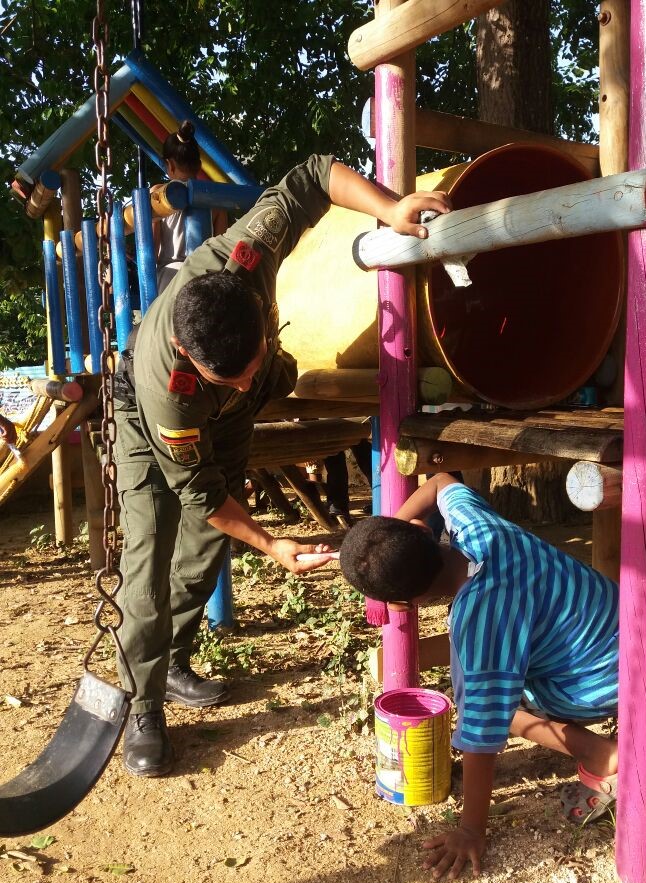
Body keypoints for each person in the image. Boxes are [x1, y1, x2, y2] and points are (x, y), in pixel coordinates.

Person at [114, 154, 451, 778]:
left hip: (226, 422)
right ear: (191, 356)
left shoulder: (248, 254)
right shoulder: (171, 392)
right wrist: (272, 545)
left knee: (201, 555)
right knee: (150, 561)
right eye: (231, 376)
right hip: (146, 427)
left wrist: (390, 208)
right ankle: (144, 703)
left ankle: (177, 657)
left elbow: (313, 176)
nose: (245, 383)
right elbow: (199, 492)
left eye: (252, 363)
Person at [339, 473, 619, 880]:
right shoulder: (476, 526)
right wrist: (395, 533)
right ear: (421, 530)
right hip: (628, 626)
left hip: (610, 680)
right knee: (478, 670)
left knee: (490, 705)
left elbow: (481, 735)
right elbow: (437, 483)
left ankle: (601, 754)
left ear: (410, 603)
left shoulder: (480, 619)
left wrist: (471, 829)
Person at [152, 121, 228, 293]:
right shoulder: (216, 199)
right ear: (199, 166)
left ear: (169, 165)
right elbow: (221, 249)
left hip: (170, 278)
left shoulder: (158, 194)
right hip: (206, 277)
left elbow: (151, 251)